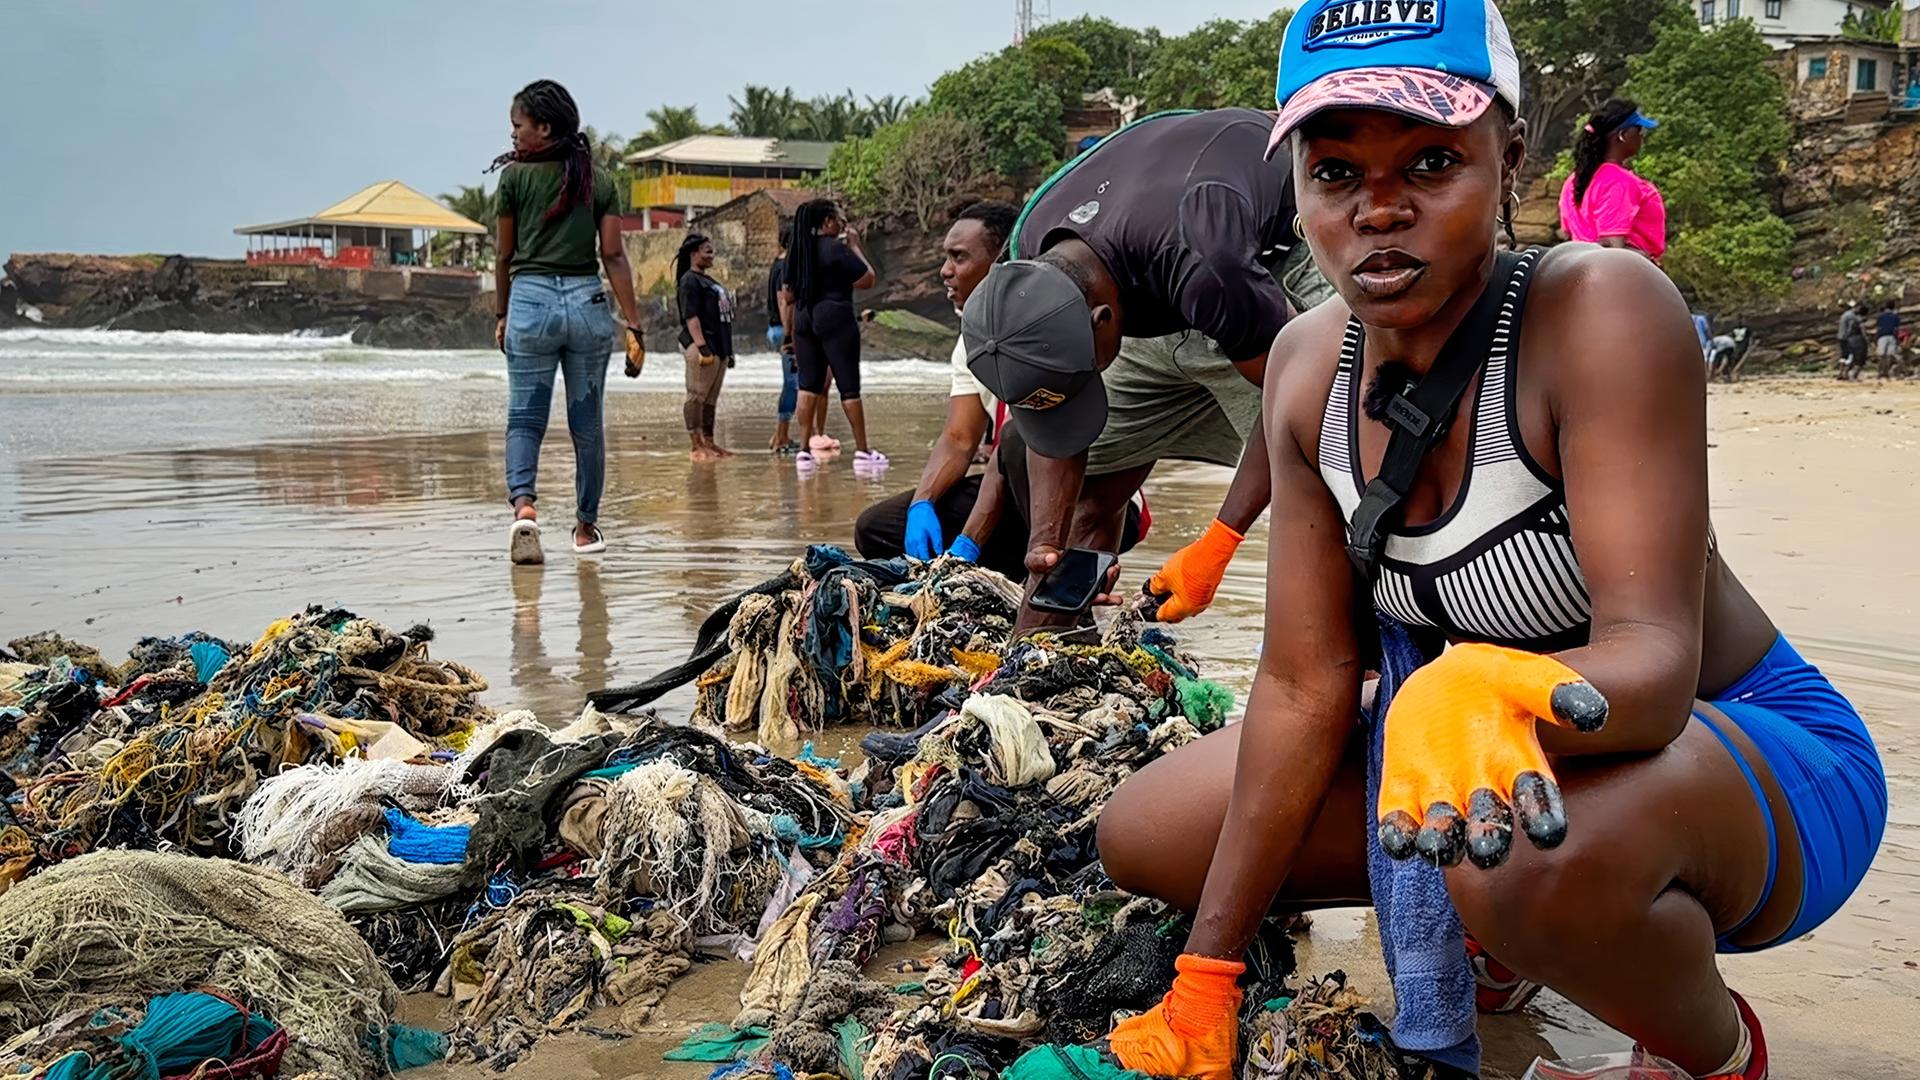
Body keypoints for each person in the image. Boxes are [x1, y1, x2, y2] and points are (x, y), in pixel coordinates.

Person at [1093, 6, 1886, 1080]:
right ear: (1296, 188)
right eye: (1334, 173)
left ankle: (1709, 1046)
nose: (1380, 209)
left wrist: (1453, 693)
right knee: (1146, 834)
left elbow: (1654, 672)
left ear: (1509, 159)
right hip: (1553, 768)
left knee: (1514, 864)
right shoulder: (1299, 368)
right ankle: (1509, 942)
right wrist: (1208, 976)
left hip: (1747, 757)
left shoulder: (1598, 312)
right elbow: (1299, 687)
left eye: (1430, 161)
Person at [958, 108, 1334, 631]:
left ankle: (1362, 669)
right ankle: (1065, 634)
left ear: (1102, 321)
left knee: (1332, 476)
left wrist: (1219, 541)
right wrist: (1046, 543)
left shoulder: (1212, 267)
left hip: (1266, 263)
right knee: (1085, 510)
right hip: (1151, 285)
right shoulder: (1027, 262)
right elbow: (1052, 424)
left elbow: (1293, 403)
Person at [854, 200, 1151, 579]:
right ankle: (1002, 587)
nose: (945, 271)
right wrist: (922, 505)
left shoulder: (1065, 327)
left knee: (1016, 441)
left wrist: (970, 542)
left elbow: (1021, 439)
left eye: (959, 258)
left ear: (1002, 261)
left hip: (1092, 493)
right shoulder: (972, 342)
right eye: (946, 257)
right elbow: (960, 437)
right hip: (1011, 488)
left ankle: (1059, 587)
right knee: (877, 529)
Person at [489, 79, 646, 565]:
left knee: (524, 418)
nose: (513, 134)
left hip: (531, 304)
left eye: (518, 125)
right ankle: (584, 528)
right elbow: (614, 256)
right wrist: (635, 325)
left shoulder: (514, 180)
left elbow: (504, 254)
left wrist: (502, 313)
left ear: (544, 127)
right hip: (586, 305)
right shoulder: (598, 180)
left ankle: (525, 510)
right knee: (587, 426)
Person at [782, 198, 883, 471]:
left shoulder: (798, 250)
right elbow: (867, 279)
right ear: (827, 222)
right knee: (849, 385)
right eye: (839, 219)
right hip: (835, 315)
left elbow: (788, 294)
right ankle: (863, 451)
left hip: (804, 319)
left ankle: (804, 451)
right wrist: (854, 245)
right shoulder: (834, 249)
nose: (842, 223)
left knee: (808, 385)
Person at [1559, 98, 1666, 261]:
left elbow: (1568, 233)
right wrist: (1645, 261)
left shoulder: (1573, 180)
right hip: (1620, 277)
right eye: (1637, 129)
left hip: (1582, 273)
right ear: (1622, 135)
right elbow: (1612, 247)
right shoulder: (1618, 182)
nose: (1641, 135)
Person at [674, 234, 734, 462]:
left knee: (711, 398)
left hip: (719, 346)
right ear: (693, 254)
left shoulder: (710, 281)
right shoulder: (690, 280)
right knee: (696, 395)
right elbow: (691, 316)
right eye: (707, 251)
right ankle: (696, 444)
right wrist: (701, 346)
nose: (712, 255)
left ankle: (709, 442)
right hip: (700, 344)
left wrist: (727, 351)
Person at [766, 226, 800, 454]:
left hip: (776, 328)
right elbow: (784, 302)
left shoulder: (776, 264)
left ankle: (779, 435)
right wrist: (789, 336)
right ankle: (782, 437)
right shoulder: (787, 266)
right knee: (792, 386)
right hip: (783, 329)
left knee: (791, 384)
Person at [1838, 301, 1867, 381]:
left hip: (1841, 336)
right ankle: (1845, 374)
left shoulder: (1845, 314)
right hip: (1847, 338)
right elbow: (1850, 328)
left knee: (1843, 356)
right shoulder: (1852, 316)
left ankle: (1841, 373)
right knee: (1850, 356)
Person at [1874, 300, 1901, 379]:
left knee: (1881, 355)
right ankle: (1886, 372)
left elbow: (1878, 328)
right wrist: (1897, 338)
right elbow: (1896, 329)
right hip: (1891, 336)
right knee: (1889, 355)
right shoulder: (1895, 316)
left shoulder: (1881, 316)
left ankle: (1880, 372)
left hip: (1882, 336)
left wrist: (1876, 337)